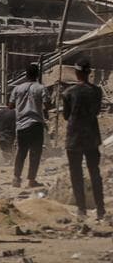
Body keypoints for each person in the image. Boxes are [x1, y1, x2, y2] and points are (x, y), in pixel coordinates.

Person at [61, 58, 105, 220]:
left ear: (76, 72)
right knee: (95, 172)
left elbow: (66, 116)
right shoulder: (97, 91)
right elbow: (96, 111)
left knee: (76, 173)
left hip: (74, 137)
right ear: (89, 73)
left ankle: (81, 210)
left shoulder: (68, 93)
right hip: (92, 136)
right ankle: (101, 210)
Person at [11, 63, 47, 188]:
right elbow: (47, 105)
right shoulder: (41, 88)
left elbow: (10, 105)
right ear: (37, 74)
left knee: (21, 152)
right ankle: (31, 180)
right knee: (35, 153)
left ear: (26, 74)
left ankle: (16, 179)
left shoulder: (17, 88)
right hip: (36, 124)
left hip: (21, 125)